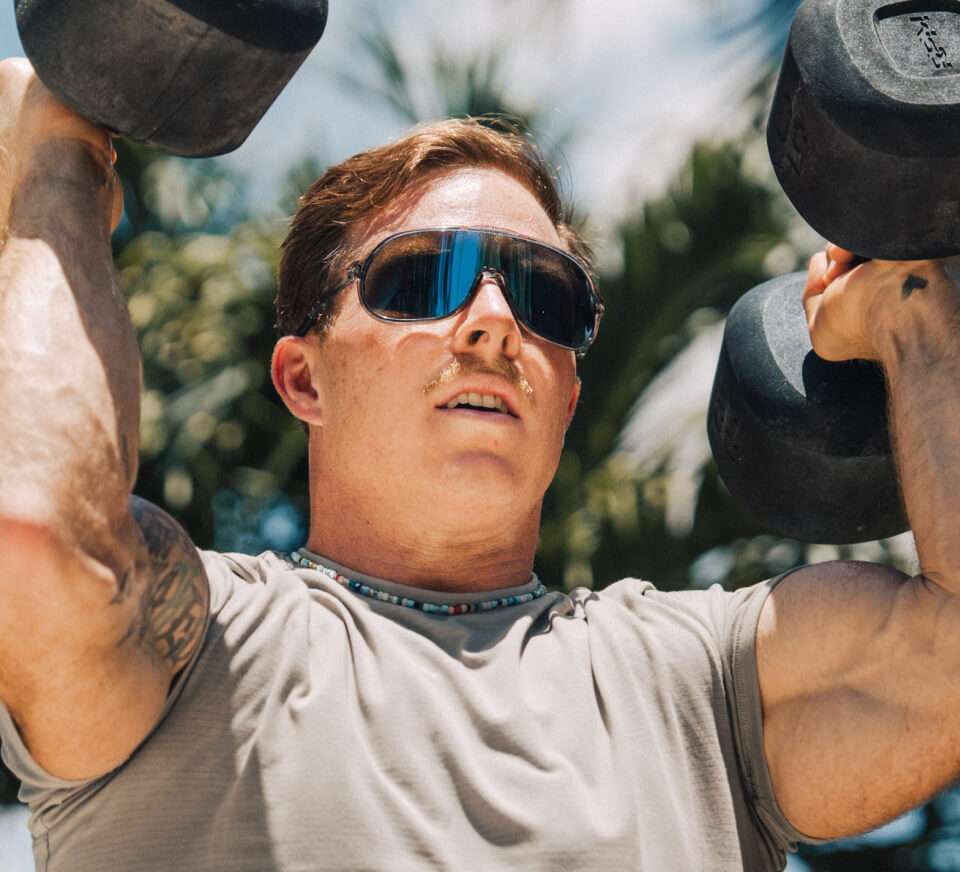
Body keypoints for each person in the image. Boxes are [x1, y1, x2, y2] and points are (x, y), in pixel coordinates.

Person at [2, 55, 960, 872]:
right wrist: (56, 158)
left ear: (568, 395)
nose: (497, 322)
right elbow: (35, 535)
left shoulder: (699, 684)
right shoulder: (204, 646)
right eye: (422, 277)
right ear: (304, 380)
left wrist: (907, 305)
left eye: (545, 295)